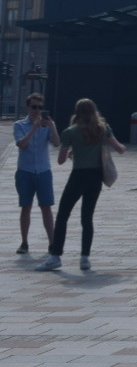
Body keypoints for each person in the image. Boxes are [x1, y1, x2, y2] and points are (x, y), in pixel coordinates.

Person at [36, 98, 125, 272]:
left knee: (63, 215)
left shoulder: (70, 132)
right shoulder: (103, 129)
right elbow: (120, 148)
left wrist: (71, 150)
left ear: (76, 112)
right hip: (96, 177)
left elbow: (60, 160)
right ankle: (85, 258)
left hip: (78, 176)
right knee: (87, 217)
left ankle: (55, 256)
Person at [14, 94, 57, 254]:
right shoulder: (19, 125)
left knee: (46, 207)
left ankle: (53, 243)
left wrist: (51, 126)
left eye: (39, 107)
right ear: (28, 107)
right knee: (26, 206)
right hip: (25, 171)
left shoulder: (47, 125)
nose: (37, 110)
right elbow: (21, 144)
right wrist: (34, 128)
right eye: (34, 107)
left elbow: (57, 143)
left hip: (44, 171)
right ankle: (24, 242)